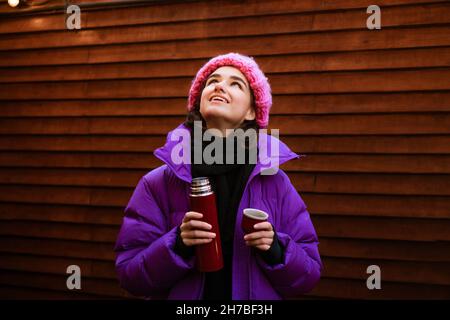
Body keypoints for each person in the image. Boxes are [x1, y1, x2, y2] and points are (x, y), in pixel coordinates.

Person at [114, 53, 322, 300]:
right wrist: (177, 245)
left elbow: (309, 275)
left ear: (252, 112)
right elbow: (129, 275)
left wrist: (276, 249)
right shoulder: (157, 183)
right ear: (198, 103)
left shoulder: (275, 182)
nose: (220, 85)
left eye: (236, 83)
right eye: (212, 81)